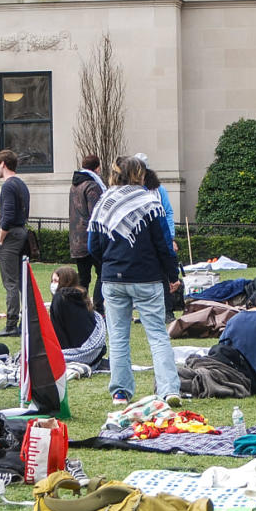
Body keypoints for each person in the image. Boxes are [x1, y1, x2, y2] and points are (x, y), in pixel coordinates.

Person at [87, 156, 182, 407]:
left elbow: (92, 245)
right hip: (147, 278)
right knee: (158, 335)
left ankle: (120, 392)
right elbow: (164, 244)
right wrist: (172, 275)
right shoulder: (150, 202)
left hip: (113, 278)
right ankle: (168, 389)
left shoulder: (104, 202)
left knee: (118, 337)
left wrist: (107, 264)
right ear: (140, 174)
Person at [0, 149, 29, 333]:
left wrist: (0, 238)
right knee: (21, 282)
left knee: (11, 283)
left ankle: (11, 324)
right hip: (21, 233)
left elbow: (7, 217)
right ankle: (24, 321)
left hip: (11, 236)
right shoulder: (21, 184)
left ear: (3, 164)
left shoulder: (8, 186)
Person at [143, 164, 180, 324]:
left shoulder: (159, 191)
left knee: (163, 276)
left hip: (156, 239)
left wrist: (170, 237)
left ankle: (167, 311)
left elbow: (167, 213)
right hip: (145, 242)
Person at [49, 266, 106, 367]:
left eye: (56, 281)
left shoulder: (60, 299)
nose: (53, 284)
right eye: (52, 281)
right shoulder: (82, 297)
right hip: (94, 352)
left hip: (76, 352)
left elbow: (58, 331)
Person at [69, 154, 105, 310]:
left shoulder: (74, 185)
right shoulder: (92, 186)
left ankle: (80, 307)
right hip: (91, 238)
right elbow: (96, 214)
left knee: (83, 277)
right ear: (97, 168)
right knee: (103, 272)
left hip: (76, 238)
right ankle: (98, 306)